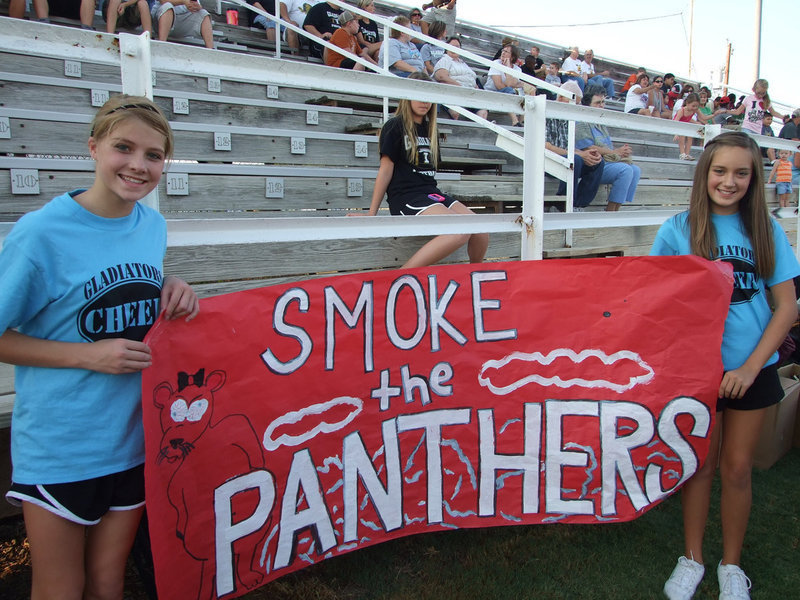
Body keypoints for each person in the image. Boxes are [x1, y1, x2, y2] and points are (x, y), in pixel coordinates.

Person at [0, 95, 200, 600]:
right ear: (93, 148)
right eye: (123, 148)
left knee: (109, 582)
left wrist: (169, 285)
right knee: (60, 587)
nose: (138, 165)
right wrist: (87, 356)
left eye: (153, 155)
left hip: (132, 438)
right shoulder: (41, 233)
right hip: (63, 444)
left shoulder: (150, 226)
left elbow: (121, 288)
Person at [653, 131, 800, 600]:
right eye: (720, 171)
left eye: (741, 172)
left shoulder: (766, 229)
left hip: (751, 371)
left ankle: (730, 564)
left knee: (737, 469)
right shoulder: (676, 229)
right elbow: (656, 302)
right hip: (698, 374)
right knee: (699, 466)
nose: (729, 181)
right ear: (705, 173)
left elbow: (787, 307)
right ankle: (691, 558)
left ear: (754, 178)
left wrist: (752, 367)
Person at [368, 72, 488, 268]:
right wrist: (371, 214)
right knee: (459, 231)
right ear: (407, 95)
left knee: (481, 229)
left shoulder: (431, 129)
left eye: (429, 98)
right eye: (419, 95)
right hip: (406, 197)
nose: (425, 102)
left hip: (431, 194)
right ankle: (403, 276)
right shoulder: (394, 126)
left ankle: (474, 276)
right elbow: (385, 169)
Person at [576, 86, 641, 211]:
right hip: (594, 164)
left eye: (603, 102)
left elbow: (608, 149)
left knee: (636, 170)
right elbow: (588, 147)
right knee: (625, 170)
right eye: (597, 103)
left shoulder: (600, 123)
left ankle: (617, 208)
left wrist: (621, 152)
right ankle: (610, 211)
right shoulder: (582, 122)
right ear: (588, 105)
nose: (602, 105)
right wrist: (615, 152)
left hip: (607, 161)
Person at [545, 82, 604, 211]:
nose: (577, 107)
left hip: (565, 159)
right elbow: (546, 146)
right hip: (546, 160)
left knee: (597, 161)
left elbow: (568, 147)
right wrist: (578, 154)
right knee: (575, 159)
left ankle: (578, 205)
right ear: (561, 98)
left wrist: (586, 153)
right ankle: (562, 205)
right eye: (574, 103)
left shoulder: (569, 119)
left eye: (578, 104)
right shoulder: (546, 113)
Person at [432, 36, 488, 119]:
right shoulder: (445, 60)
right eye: (452, 46)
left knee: (483, 112)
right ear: (447, 48)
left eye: (457, 47)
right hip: (454, 94)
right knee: (456, 112)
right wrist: (459, 85)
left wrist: (475, 86)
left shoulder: (463, 63)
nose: (455, 49)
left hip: (470, 94)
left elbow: (473, 77)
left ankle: (479, 131)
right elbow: (441, 76)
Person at [484, 43, 524, 126]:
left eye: (506, 52)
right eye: (503, 51)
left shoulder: (517, 69)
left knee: (523, 96)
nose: (503, 53)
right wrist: (512, 85)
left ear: (512, 56)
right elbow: (499, 86)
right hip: (491, 92)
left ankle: (519, 122)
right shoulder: (496, 63)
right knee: (510, 90)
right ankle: (515, 121)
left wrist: (508, 68)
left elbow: (509, 84)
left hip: (506, 93)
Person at [673, 92, 716, 160]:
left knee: (690, 137)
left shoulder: (695, 110)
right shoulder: (682, 110)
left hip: (687, 123)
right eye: (693, 106)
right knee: (682, 135)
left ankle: (687, 154)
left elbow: (703, 117)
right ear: (687, 103)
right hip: (680, 125)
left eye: (696, 106)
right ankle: (682, 153)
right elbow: (676, 121)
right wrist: (676, 133)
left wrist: (714, 114)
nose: (695, 108)